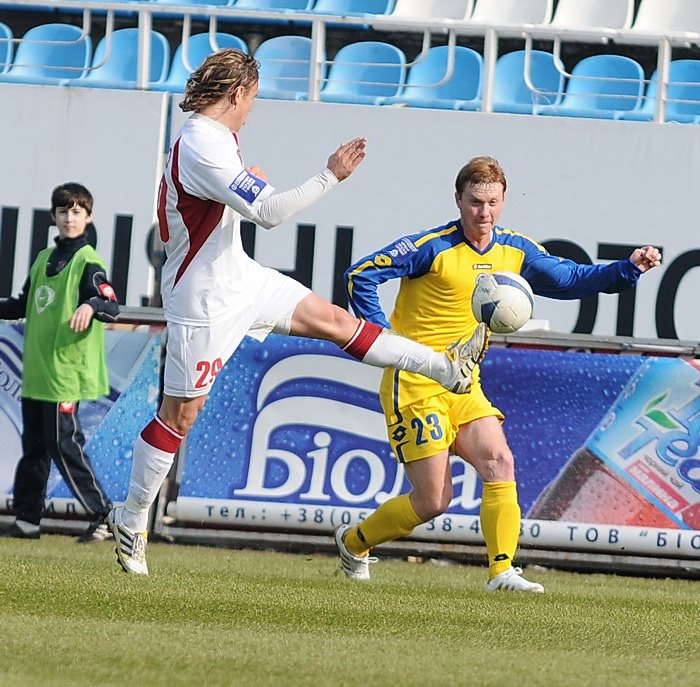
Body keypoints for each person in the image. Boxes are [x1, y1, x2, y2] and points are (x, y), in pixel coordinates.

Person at [106, 49, 489, 576]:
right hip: (203, 298)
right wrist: (331, 175)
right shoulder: (201, 143)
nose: (252, 110)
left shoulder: (215, 138)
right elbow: (268, 213)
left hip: (240, 277)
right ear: (237, 94)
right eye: (252, 99)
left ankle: (445, 367)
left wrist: (244, 182)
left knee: (336, 322)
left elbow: (226, 201)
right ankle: (130, 517)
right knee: (180, 417)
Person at [337, 156, 662, 591]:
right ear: (458, 200)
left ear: (504, 200)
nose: (484, 212)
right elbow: (360, 274)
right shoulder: (430, 247)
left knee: (500, 460)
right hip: (414, 383)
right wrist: (385, 339)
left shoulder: (514, 249)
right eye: (475, 202)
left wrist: (628, 268)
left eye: (492, 202)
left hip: (463, 382)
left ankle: (502, 572)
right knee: (433, 501)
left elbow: (570, 279)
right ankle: (354, 542)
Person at [0, 182, 119, 543]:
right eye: (63, 211)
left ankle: (105, 516)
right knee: (35, 448)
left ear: (89, 217)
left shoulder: (88, 261)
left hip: (64, 373)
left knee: (63, 444)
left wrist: (90, 305)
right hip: (38, 371)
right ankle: (27, 519)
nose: (70, 218)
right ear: (53, 216)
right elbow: (21, 306)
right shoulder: (43, 259)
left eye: (77, 211)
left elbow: (111, 306)